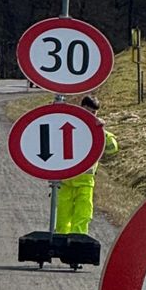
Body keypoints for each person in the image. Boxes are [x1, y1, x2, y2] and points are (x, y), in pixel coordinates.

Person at [55, 93, 118, 240]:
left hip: (85, 182)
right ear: (80, 109)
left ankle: (78, 244)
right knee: (63, 216)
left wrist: (101, 131)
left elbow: (112, 149)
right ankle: (61, 242)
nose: (90, 115)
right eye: (87, 111)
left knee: (82, 215)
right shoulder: (69, 128)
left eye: (93, 113)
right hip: (65, 181)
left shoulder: (99, 132)